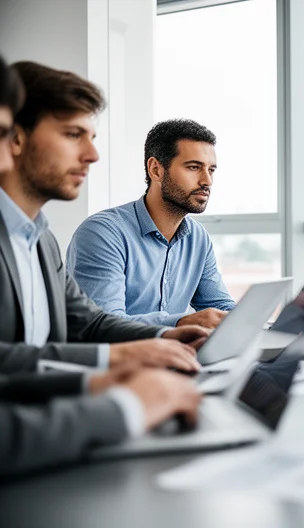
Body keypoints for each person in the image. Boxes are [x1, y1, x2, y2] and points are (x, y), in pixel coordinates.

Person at [0, 55, 202, 478]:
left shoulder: (41, 239)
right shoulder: (100, 231)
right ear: (16, 137)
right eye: (73, 135)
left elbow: (86, 323)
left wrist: (165, 334)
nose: (92, 155)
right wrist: (114, 377)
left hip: (50, 435)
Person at [66, 119, 235, 329]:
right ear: (156, 170)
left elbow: (220, 306)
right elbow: (105, 325)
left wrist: (258, 319)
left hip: (174, 357)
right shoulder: (102, 233)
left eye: (211, 170)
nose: (207, 181)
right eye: (194, 167)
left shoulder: (198, 238)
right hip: (119, 360)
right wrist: (181, 322)